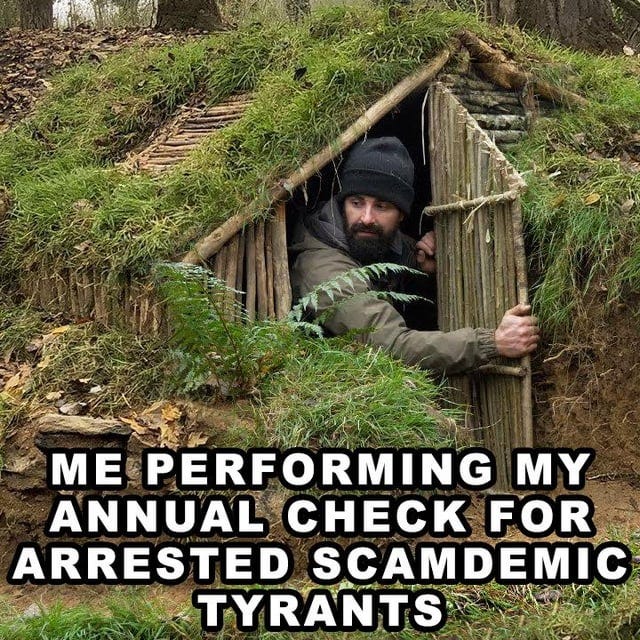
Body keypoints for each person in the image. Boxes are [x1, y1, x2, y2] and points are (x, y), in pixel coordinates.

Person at [288, 136, 539, 375]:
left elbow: (410, 292)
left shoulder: (381, 243)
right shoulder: (322, 270)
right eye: (356, 202)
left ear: (402, 215)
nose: (366, 217)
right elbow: (390, 345)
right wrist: (491, 342)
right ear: (342, 204)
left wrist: (423, 272)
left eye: (381, 206)